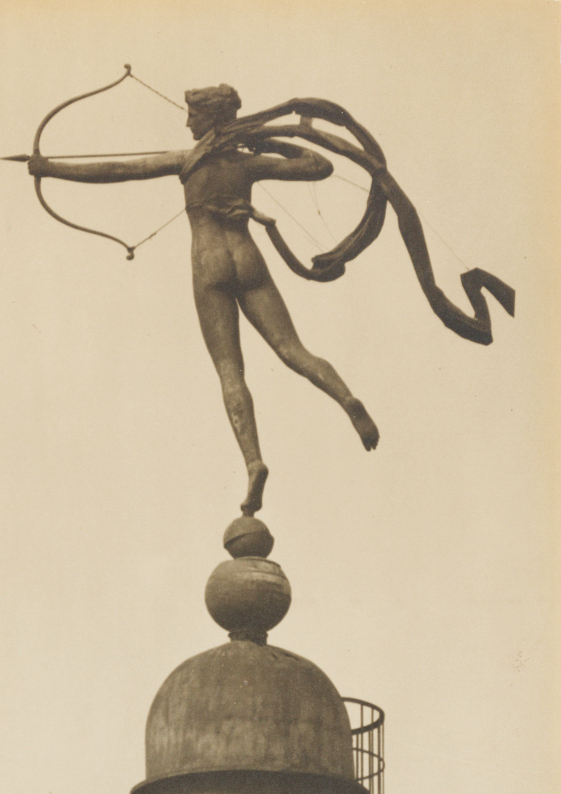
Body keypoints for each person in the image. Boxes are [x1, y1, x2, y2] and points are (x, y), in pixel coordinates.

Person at [28, 84, 379, 516]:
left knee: (230, 371)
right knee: (293, 350)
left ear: (211, 118)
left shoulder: (185, 161)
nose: (187, 122)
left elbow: (116, 169)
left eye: (193, 115)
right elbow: (319, 165)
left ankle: (254, 463)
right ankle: (347, 399)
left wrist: (50, 168)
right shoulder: (248, 164)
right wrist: (267, 143)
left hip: (209, 263)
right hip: (248, 258)